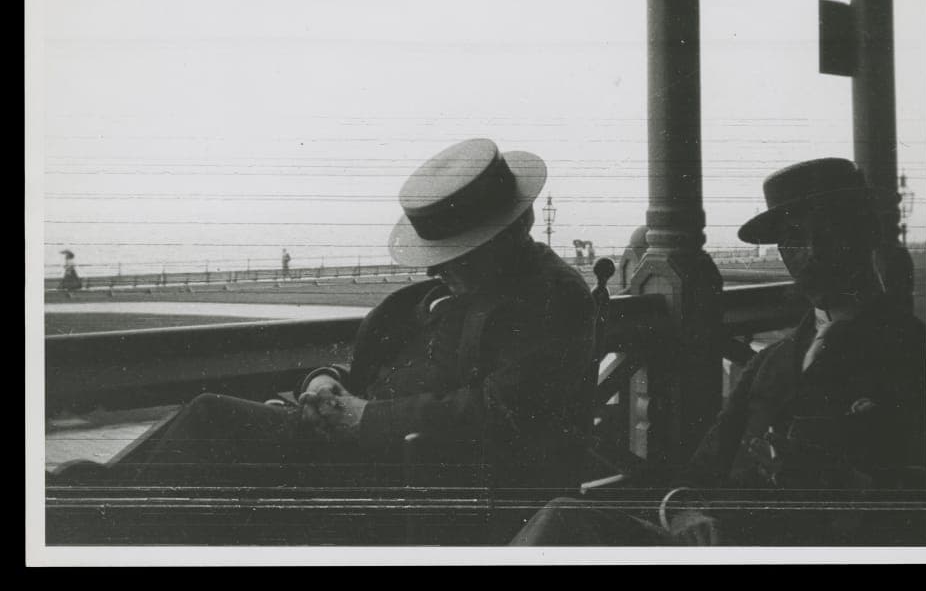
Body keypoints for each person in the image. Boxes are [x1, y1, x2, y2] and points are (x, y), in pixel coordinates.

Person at [48, 139, 597, 542]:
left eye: (458, 254)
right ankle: (90, 501)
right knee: (207, 421)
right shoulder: (457, 292)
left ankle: (86, 516)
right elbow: (378, 362)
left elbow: (503, 418)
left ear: (513, 230)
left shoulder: (550, 296)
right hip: (386, 468)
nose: (442, 269)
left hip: (432, 494)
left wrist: (362, 418)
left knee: (214, 422)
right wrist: (326, 379)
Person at [511, 157, 926, 547]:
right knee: (560, 517)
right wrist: (685, 511)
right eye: (794, 238)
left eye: (830, 233)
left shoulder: (917, 356)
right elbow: (697, 475)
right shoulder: (772, 362)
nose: (812, 253)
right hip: (720, 542)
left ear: (865, 234)